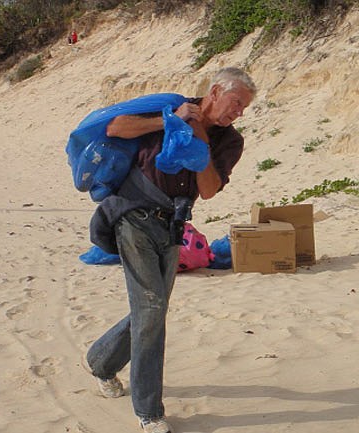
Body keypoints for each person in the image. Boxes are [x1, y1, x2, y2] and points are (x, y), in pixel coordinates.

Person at [85, 67, 256, 433]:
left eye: (244, 108)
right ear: (214, 91)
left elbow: (208, 190)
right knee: (150, 309)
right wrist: (167, 122)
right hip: (132, 216)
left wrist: (198, 140)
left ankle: (101, 362)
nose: (238, 112)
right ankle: (149, 411)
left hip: (173, 226)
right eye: (236, 103)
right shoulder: (170, 106)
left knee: (151, 310)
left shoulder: (231, 142)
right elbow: (115, 129)